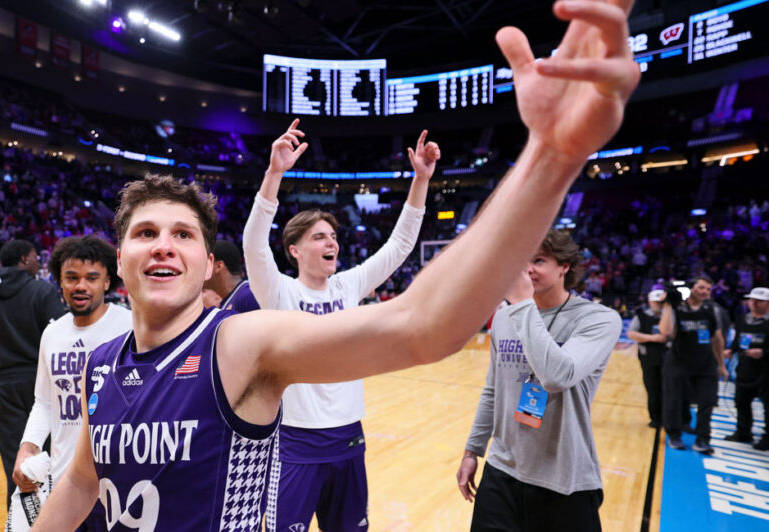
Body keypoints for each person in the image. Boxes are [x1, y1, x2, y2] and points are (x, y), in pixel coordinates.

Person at [33, 1, 640, 528]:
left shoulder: (242, 341)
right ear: (121, 259)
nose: (163, 244)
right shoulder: (101, 364)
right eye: (146, 232)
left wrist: (550, 159)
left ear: (204, 261)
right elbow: (84, 481)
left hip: (342, 439)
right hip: (300, 445)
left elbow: (420, 323)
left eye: (183, 234)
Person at [244, 123, 436, 531]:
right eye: (318, 237)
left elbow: (399, 247)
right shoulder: (278, 292)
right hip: (295, 441)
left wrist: (421, 180)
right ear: (295, 250)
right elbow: (253, 245)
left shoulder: (349, 285)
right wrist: (274, 174)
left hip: (348, 436)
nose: (331, 242)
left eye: (332, 235)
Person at [458, 230, 622, 531]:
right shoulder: (505, 317)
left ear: (565, 266)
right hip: (501, 471)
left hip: (563, 480)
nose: (526, 269)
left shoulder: (598, 319)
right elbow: (493, 390)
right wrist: (473, 450)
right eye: (520, 261)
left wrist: (521, 303)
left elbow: (557, 376)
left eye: (539, 260)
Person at [12, 236, 132, 527]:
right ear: (60, 282)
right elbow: (44, 402)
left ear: (107, 282)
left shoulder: (130, 327)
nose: (81, 286)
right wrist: (27, 447)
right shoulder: (52, 334)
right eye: (72, 278)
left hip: (119, 484)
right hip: (67, 481)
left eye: (92, 278)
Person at [0, 239, 66, 504]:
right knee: (50, 461)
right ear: (25, 260)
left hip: (5, 384)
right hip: (41, 385)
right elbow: (60, 337)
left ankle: (19, 521)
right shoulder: (43, 291)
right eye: (35, 257)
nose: (39, 261)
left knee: (15, 464)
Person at [660, 276, 728, 454]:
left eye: (708, 289)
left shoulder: (712, 309)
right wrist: (668, 304)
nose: (705, 292)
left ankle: (703, 439)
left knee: (707, 401)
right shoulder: (676, 307)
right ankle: (674, 435)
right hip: (678, 360)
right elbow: (665, 332)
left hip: (705, 362)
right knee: (673, 399)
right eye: (701, 288)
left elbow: (717, 339)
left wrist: (721, 365)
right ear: (691, 288)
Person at [723, 286, 769, 450]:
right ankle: (743, 432)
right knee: (741, 402)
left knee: (767, 407)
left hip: (765, 372)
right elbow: (738, 341)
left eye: (759, 301)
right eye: (752, 300)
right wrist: (731, 350)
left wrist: (763, 352)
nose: (754, 303)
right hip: (745, 369)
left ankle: (767, 438)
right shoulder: (742, 319)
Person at [627, 289, 669, 428]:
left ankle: (671, 418)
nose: (659, 305)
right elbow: (631, 333)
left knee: (669, 389)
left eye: (661, 302)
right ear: (650, 302)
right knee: (652, 388)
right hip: (649, 357)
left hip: (669, 357)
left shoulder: (671, 316)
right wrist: (653, 338)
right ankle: (655, 418)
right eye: (656, 302)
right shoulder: (642, 316)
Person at [203, 239, 259, 313]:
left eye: (204, 265)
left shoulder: (248, 295)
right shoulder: (228, 302)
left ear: (218, 267)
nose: (200, 271)